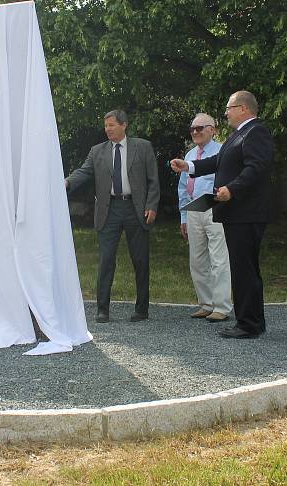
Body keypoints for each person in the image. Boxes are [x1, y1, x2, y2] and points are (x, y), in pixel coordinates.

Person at [170, 91, 275, 339]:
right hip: (235, 213)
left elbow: (256, 167)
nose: (225, 112)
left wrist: (232, 189)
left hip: (246, 212)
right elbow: (218, 161)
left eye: (229, 108)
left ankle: (248, 324)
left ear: (243, 109)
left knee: (244, 268)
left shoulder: (256, 131)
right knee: (242, 268)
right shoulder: (237, 136)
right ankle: (251, 321)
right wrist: (190, 167)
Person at [66, 109, 160, 323]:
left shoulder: (142, 147)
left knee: (140, 259)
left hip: (136, 209)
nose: (107, 129)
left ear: (123, 125)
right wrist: (67, 182)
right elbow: (84, 171)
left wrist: (152, 205)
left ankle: (142, 309)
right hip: (108, 210)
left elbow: (153, 180)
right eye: (105, 125)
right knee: (106, 259)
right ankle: (102, 310)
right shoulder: (97, 151)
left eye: (111, 125)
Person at [177, 113, 232, 322]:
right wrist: (183, 216)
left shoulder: (222, 152)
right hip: (193, 209)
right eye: (192, 129)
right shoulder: (190, 155)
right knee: (197, 259)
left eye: (200, 128)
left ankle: (221, 306)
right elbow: (183, 187)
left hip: (214, 207)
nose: (195, 132)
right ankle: (205, 303)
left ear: (213, 129)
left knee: (218, 258)